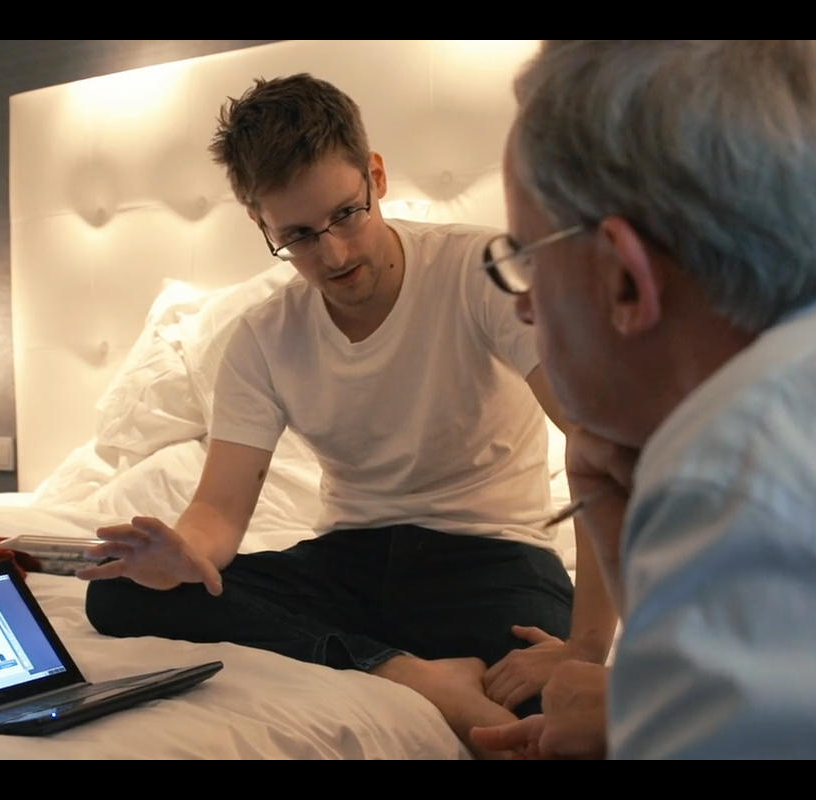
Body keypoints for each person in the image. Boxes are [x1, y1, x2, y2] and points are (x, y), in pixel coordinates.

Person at [470, 40, 816, 758]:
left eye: (528, 257)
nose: (525, 305)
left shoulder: (740, 475)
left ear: (623, 277)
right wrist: (644, 688)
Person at [76, 72, 617, 757]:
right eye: (298, 235)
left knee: (553, 720)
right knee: (120, 597)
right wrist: (182, 553)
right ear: (261, 223)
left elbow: (597, 442)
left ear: (376, 176)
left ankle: (376, 657)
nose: (333, 254)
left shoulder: (481, 271)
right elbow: (218, 511)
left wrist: (587, 647)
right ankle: (408, 673)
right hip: (349, 565)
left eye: (347, 215)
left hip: (492, 560)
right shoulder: (262, 337)